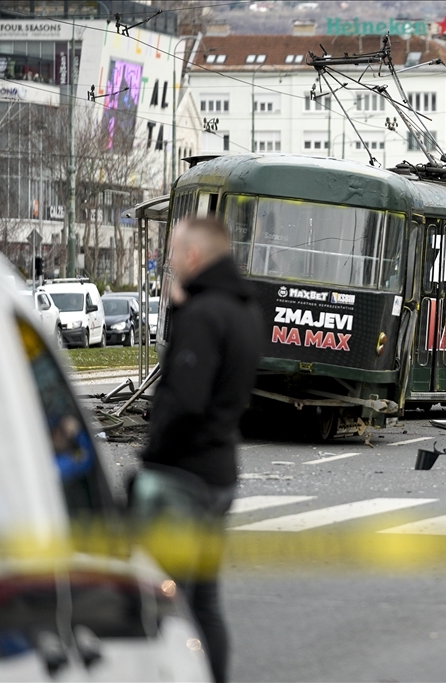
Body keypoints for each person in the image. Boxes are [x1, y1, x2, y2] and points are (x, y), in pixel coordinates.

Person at [140, 217, 263, 682]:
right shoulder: (243, 310)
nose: (169, 261)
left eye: (173, 253)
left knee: (160, 598)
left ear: (192, 257)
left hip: (181, 480)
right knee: (204, 601)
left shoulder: (204, 315)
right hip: (219, 473)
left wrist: (152, 457)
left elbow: (184, 399)